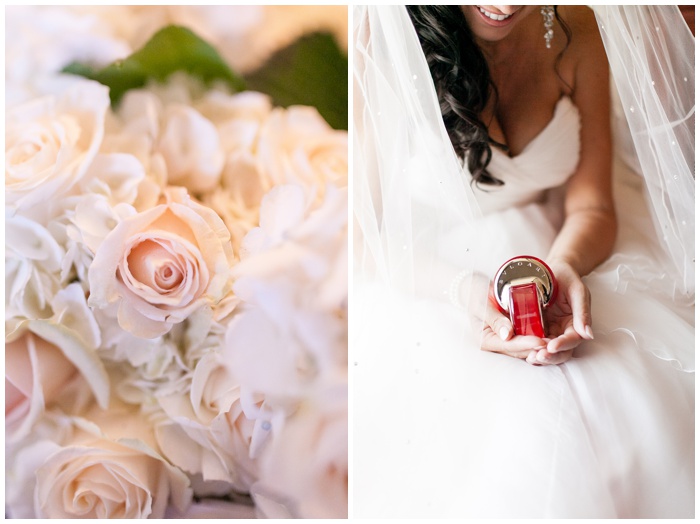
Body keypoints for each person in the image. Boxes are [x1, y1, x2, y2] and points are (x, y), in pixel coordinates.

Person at [353, 5, 694, 518]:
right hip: (429, 271)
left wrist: (562, 266)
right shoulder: (387, 31)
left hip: (559, 242)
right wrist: (467, 293)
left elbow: (593, 205)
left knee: (628, 396)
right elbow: (364, 235)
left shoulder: (579, 32)